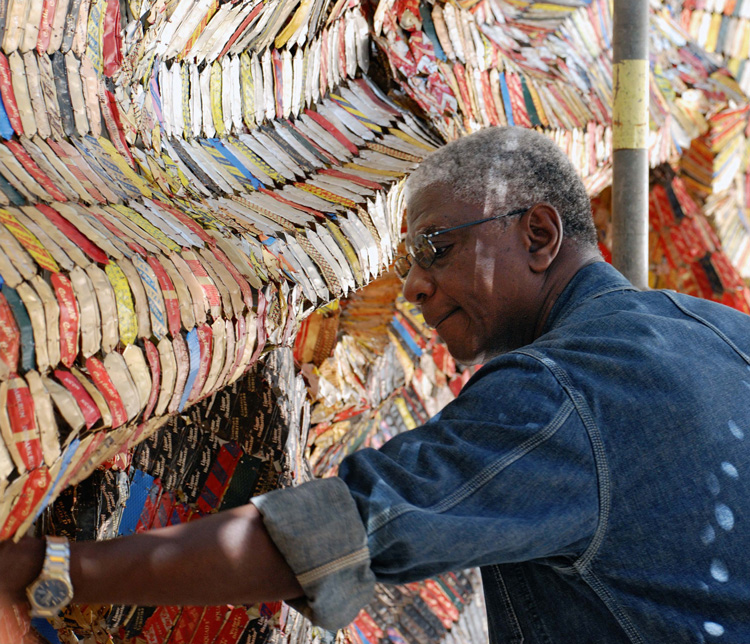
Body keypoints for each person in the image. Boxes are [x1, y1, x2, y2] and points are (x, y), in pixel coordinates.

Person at [2, 126, 750, 643]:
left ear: (539, 236)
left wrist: (44, 569)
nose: (418, 286)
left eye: (436, 247)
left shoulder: (563, 392)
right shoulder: (723, 333)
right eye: (407, 262)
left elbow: (336, 535)